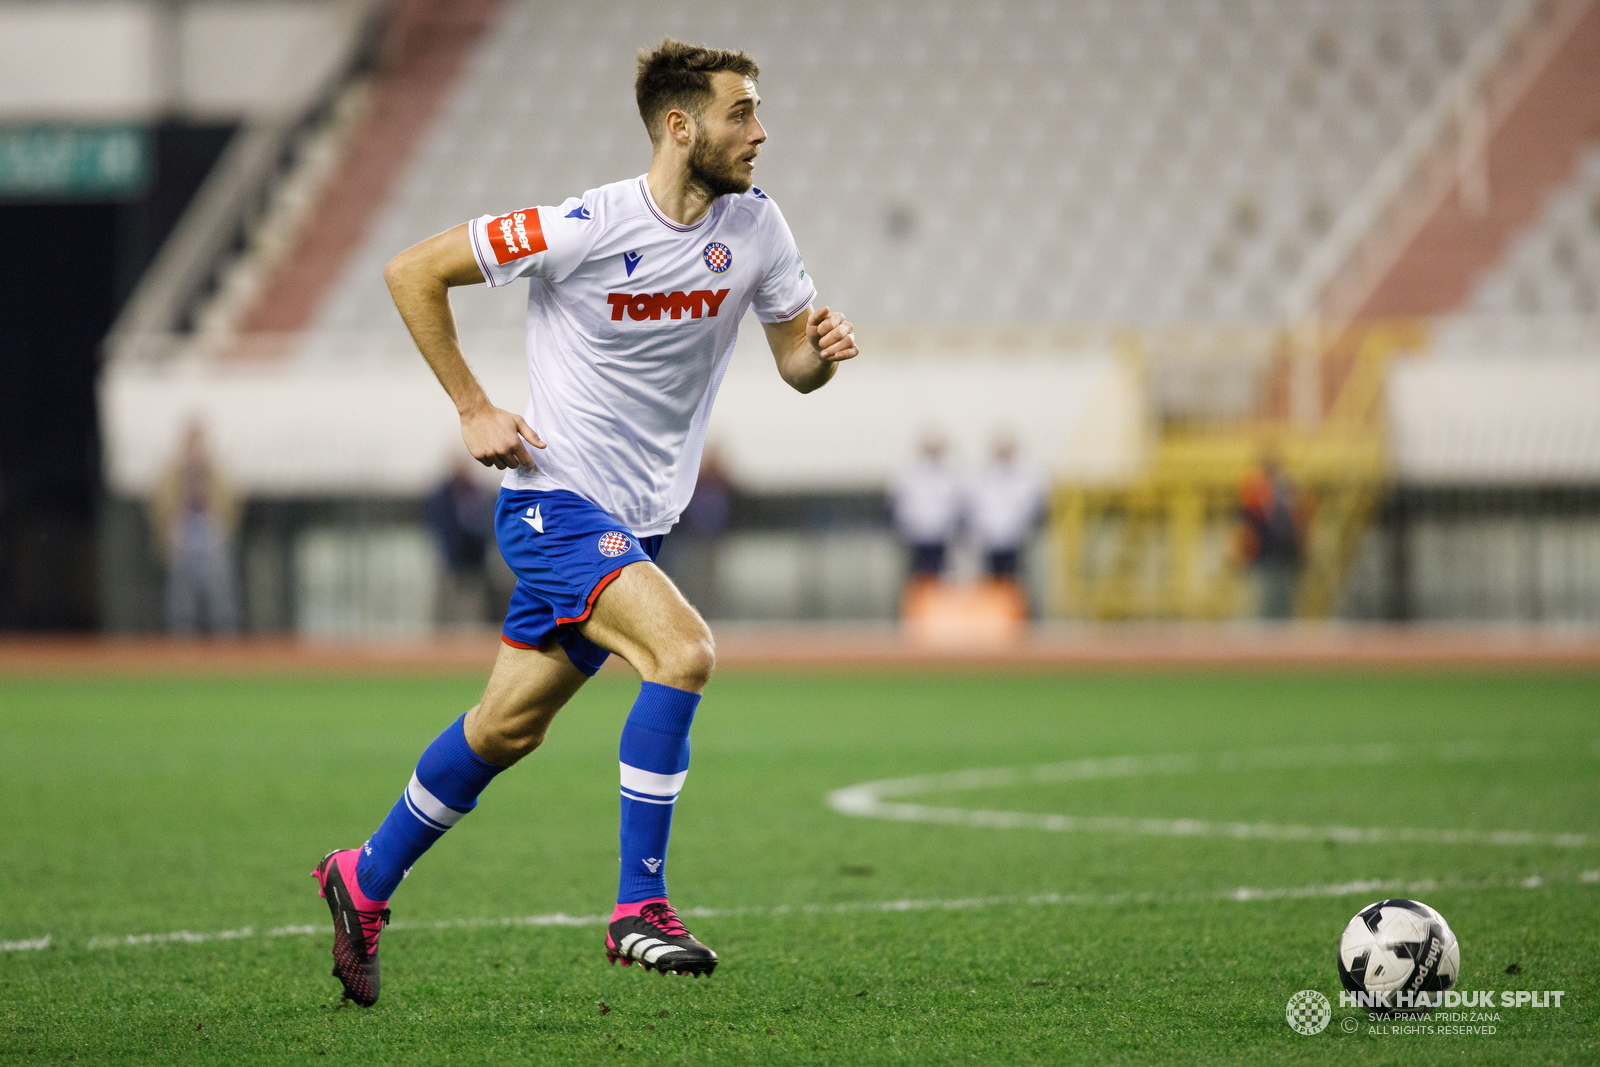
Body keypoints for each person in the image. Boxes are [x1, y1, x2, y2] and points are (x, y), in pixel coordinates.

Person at [311, 39, 858, 1006]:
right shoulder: (582, 225)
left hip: (638, 525)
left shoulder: (760, 229)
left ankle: (363, 876)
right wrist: (474, 408)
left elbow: (792, 365)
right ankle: (637, 907)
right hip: (552, 507)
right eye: (743, 112)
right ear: (681, 126)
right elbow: (411, 271)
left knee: (504, 727)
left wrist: (821, 353)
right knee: (684, 652)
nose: (761, 131)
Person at [149, 420, 240, 635]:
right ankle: (183, 648)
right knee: (182, 601)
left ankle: (225, 645)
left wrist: (221, 526)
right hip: (184, 538)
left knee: (220, 599)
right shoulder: (173, 474)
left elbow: (231, 504)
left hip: (210, 537)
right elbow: (160, 505)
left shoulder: (216, 473)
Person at [425, 460, 496, 628]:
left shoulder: (478, 495)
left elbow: (485, 529)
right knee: (445, 620)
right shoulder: (442, 497)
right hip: (450, 567)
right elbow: (439, 529)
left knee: (473, 619)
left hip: (474, 568)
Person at [967, 434, 1046, 582]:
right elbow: (975, 509)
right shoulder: (982, 477)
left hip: (1016, 542)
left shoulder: (1027, 477)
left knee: (1015, 581)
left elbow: (1031, 508)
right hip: (988, 542)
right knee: (990, 583)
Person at [1238, 451, 1303, 620]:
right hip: (1264, 558)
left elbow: (1292, 522)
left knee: (1282, 606)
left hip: (1285, 558)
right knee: (1264, 607)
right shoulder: (1256, 490)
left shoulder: (1284, 490)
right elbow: (1251, 522)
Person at [890, 436, 961, 581]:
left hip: (941, 538)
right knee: (919, 578)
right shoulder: (910, 475)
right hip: (917, 538)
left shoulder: (950, 475)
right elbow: (903, 507)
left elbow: (956, 506)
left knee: (941, 578)